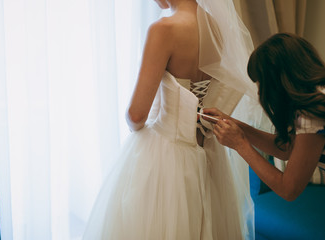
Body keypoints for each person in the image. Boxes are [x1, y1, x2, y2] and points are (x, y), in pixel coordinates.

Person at [82, 0, 257, 239]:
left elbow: (136, 115)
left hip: (167, 155)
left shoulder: (164, 29)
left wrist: (133, 122)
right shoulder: (216, 26)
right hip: (209, 155)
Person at [203, 33, 325, 202]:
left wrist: (240, 144)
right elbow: (287, 149)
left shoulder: (313, 112)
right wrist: (235, 124)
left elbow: (288, 189)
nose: (259, 91)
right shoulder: (316, 95)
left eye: (260, 82)